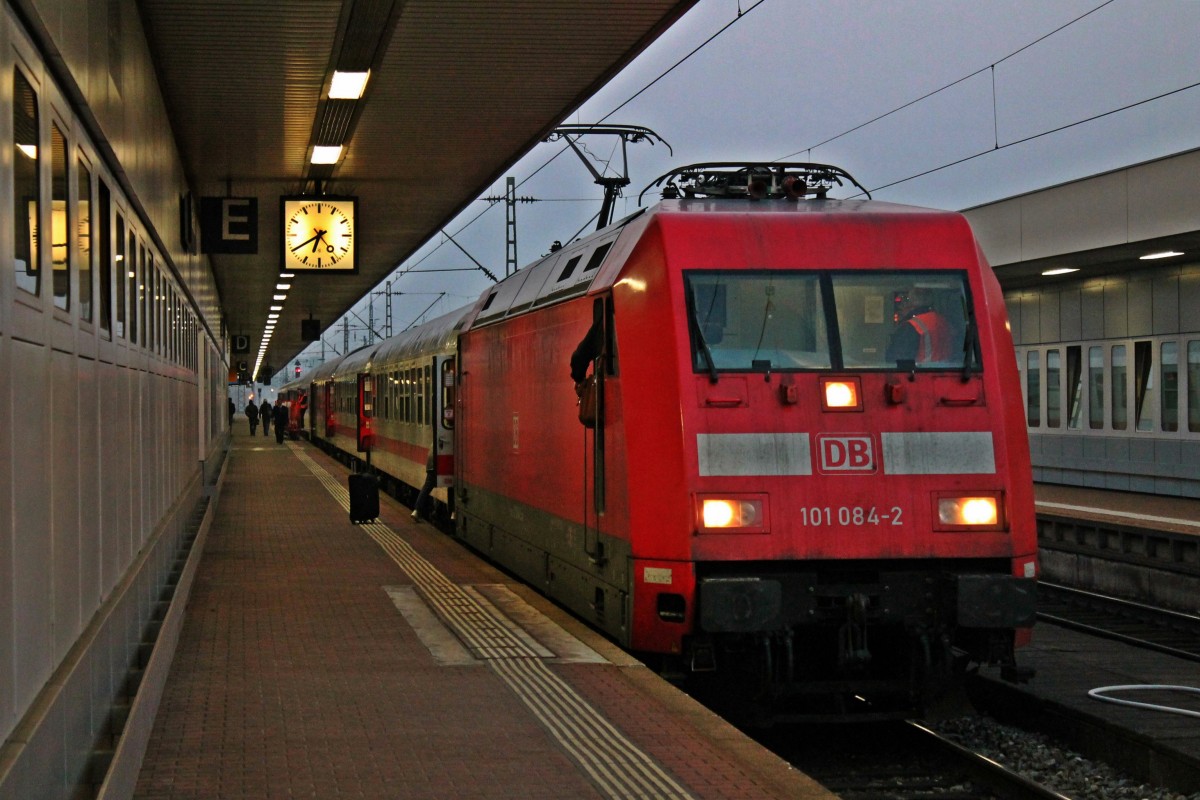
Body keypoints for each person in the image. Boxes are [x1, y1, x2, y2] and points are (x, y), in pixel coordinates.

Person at [885, 287, 954, 366]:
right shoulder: (942, 320)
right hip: (947, 371)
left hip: (920, 373)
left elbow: (899, 359)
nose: (902, 307)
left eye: (905, 302)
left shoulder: (911, 326)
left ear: (911, 304)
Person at [411, 449, 437, 523]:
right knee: (451, 486)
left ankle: (416, 510)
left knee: (427, 486)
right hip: (436, 461)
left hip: (432, 461)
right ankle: (453, 513)